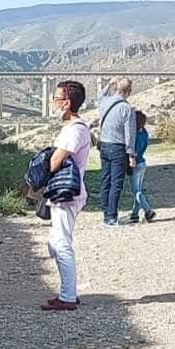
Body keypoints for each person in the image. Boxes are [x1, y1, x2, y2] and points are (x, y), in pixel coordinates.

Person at [41, 81, 93, 311]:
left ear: (67, 103)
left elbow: (55, 161)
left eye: (56, 99)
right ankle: (68, 291)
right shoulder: (72, 128)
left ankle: (68, 296)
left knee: (61, 244)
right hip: (63, 193)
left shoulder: (75, 130)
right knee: (56, 242)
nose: (53, 103)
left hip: (67, 194)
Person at [94, 77, 137, 227]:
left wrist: (109, 84)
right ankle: (111, 217)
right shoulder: (126, 108)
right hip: (118, 148)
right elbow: (129, 134)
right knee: (116, 183)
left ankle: (106, 213)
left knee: (105, 180)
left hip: (104, 145)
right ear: (129, 92)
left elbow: (100, 95)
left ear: (116, 89)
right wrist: (131, 154)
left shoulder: (104, 102)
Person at [127, 111, 158, 224]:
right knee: (138, 189)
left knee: (135, 191)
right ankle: (134, 214)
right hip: (142, 162)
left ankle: (148, 210)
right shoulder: (144, 133)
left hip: (134, 163)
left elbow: (131, 149)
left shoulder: (133, 136)